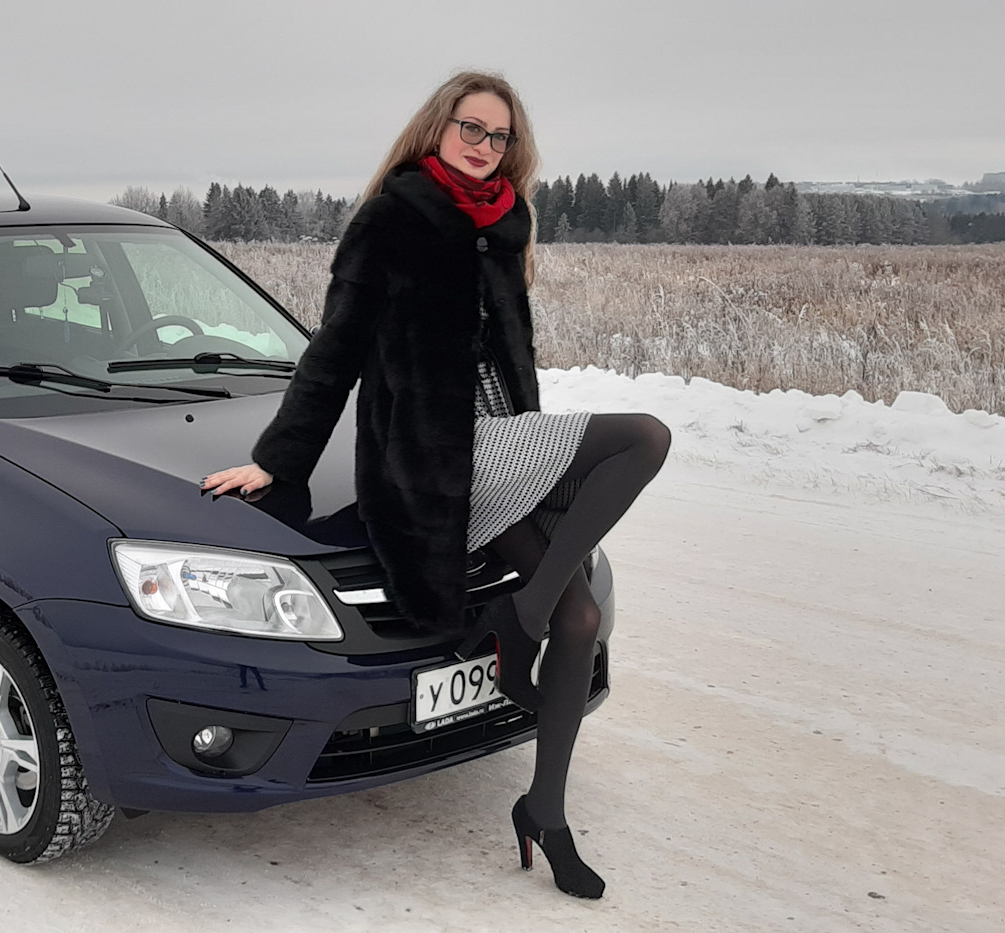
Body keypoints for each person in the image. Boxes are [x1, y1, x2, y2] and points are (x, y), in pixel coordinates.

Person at [201, 70, 670, 899]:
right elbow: (335, 349)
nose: (485, 146)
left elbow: (508, 363)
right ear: (438, 127)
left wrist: (535, 447)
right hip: (430, 456)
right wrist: (278, 459)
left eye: (500, 136)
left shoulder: (506, 225)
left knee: (581, 617)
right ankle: (518, 618)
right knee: (644, 436)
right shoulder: (392, 219)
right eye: (471, 128)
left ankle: (544, 811)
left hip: (498, 447)